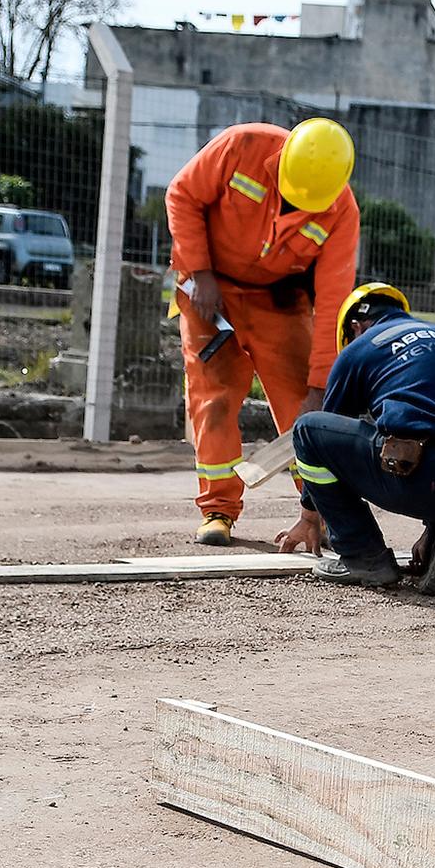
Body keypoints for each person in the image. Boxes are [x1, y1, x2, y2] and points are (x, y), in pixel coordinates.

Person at [163, 117, 361, 547]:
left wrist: (319, 385)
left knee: (304, 411)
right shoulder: (242, 146)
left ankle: (320, 511)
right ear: (283, 157)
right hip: (210, 293)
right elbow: (182, 195)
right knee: (214, 400)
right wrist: (200, 272)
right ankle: (218, 510)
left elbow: (333, 304)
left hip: (280, 300)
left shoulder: (341, 212)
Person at [282, 283, 435, 598]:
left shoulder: (363, 346)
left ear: (355, 327)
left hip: (430, 480)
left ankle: (363, 557)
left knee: (307, 430)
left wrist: (309, 516)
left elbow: (327, 436)